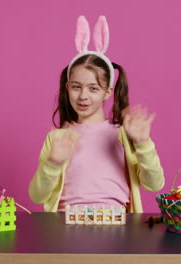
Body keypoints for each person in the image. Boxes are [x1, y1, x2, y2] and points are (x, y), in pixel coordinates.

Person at [29, 16, 164, 213]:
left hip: (116, 229)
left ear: (107, 92)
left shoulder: (124, 134)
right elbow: (37, 196)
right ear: (67, 88)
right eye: (76, 87)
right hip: (65, 228)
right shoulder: (58, 138)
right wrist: (53, 163)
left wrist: (143, 144)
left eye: (93, 88)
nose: (83, 96)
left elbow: (155, 184)